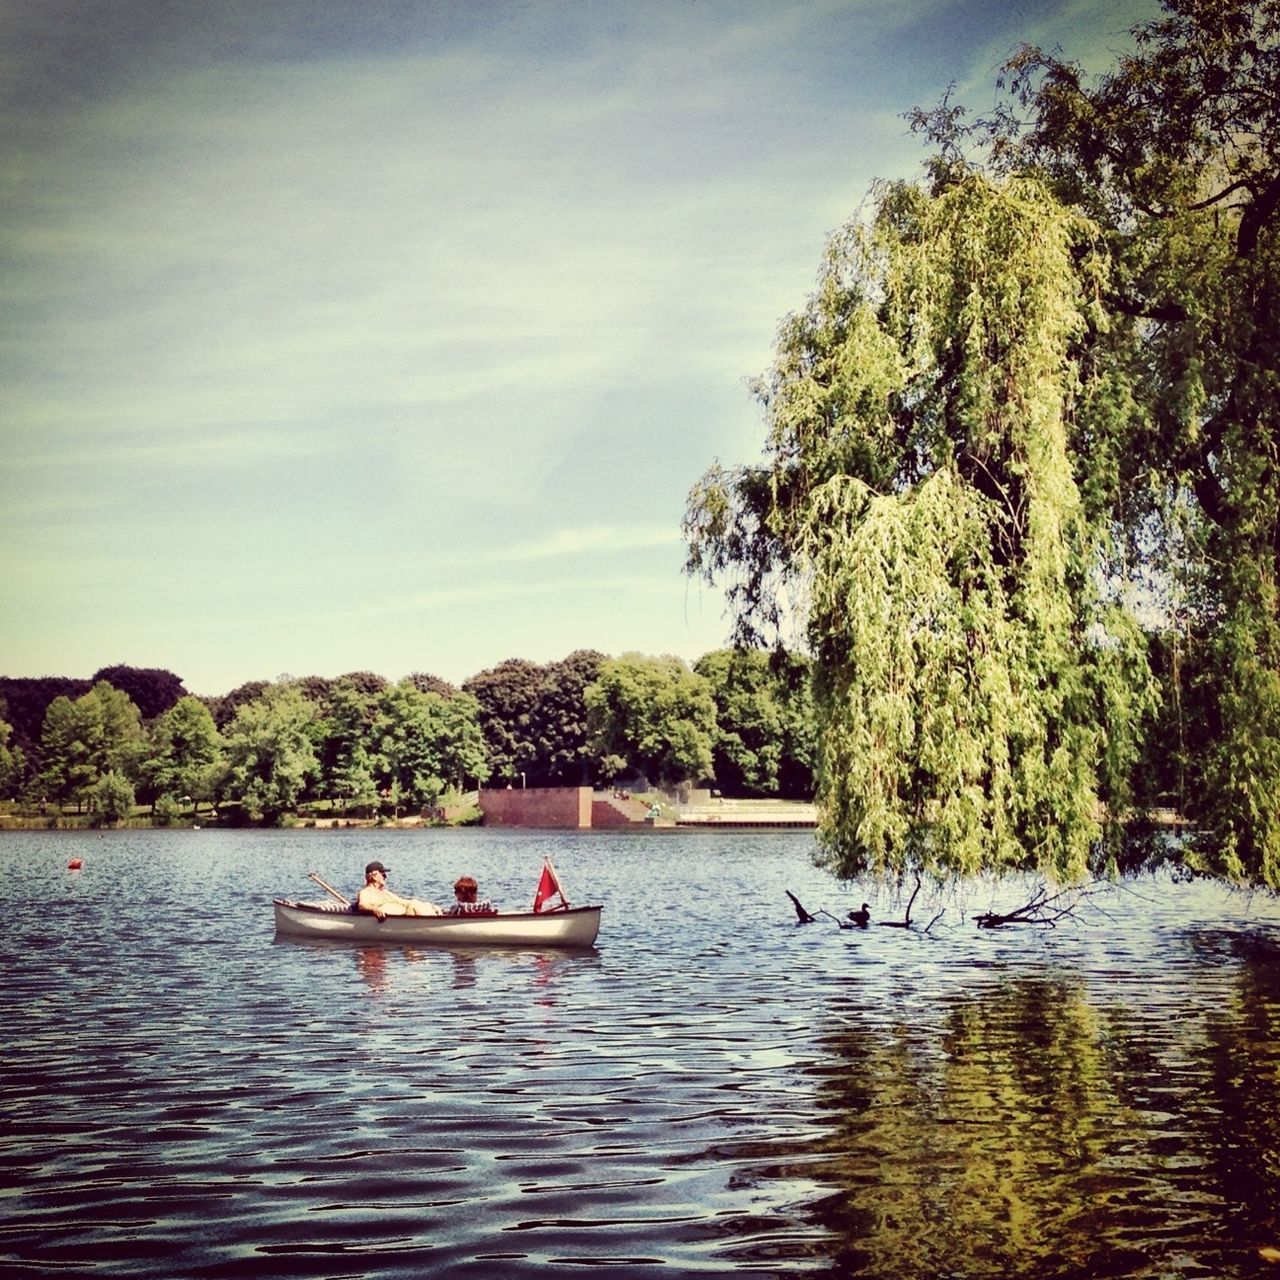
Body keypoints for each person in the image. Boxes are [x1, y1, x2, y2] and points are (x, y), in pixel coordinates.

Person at [355, 861, 442, 919]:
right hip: (394, 921)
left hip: (405, 916)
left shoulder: (385, 892)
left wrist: (431, 906)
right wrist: (375, 909)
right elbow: (362, 905)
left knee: (414, 903)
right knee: (413, 905)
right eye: (383, 875)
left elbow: (403, 902)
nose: (385, 877)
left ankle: (435, 915)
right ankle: (436, 922)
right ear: (373, 876)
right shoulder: (366, 892)